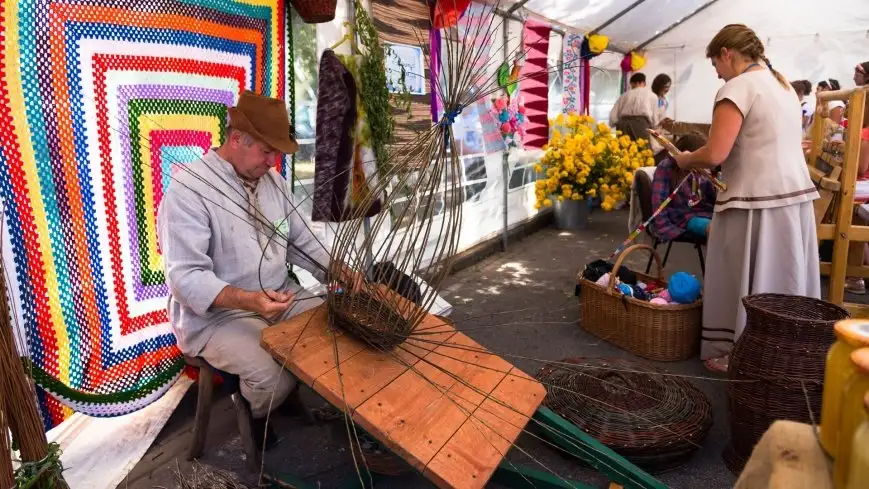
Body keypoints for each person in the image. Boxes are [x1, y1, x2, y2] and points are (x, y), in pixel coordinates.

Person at [157, 91, 360, 446]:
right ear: (236, 139)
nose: (273, 161)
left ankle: (282, 399)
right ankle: (256, 414)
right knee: (271, 376)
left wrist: (337, 269)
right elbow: (184, 278)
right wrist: (249, 301)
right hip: (215, 316)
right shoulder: (189, 190)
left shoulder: (273, 183)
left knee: (338, 331)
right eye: (266, 151)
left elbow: (302, 240)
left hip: (279, 296)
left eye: (277, 153)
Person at [673, 24, 820, 373]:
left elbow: (715, 154)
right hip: (793, 196)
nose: (717, 74)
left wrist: (685, 159)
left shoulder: (737, 87)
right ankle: (780, 353)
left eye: (715, 66)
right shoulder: (782, 85)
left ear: (727, 54)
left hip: (755, 198)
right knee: (782, 274)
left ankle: (738, 350)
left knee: (744, 276)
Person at [650, 132, 716, 242]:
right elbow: (658, 203)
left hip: (705, 212)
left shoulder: (703, 169)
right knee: (716, 229)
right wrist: (664, 229)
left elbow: (712, 198)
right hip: (682, 216)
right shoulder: (667, 167)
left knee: (731, 227)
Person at [609, 72, 662, 143]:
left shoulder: (624, 95)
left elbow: (613, 115)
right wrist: (655, 127)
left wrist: (616, 123)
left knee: (624, 149)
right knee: (642, 149)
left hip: (623, 124)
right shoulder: (652, 95)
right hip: (641, 124)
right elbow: (655, 117)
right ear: (644, 83)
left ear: (632, 83)